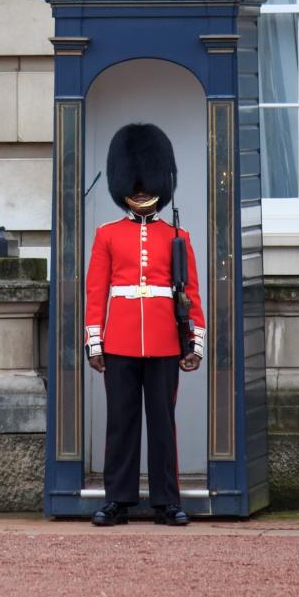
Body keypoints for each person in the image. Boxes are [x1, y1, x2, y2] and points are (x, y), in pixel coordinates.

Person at [85, 123, 206, 526]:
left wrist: (194, 343)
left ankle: (165, 501)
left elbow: (190, 292)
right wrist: (95, 342)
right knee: (120, 423)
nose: (140, 191)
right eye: (133, 185)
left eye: (146, 184)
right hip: (119, 341)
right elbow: (96, 293)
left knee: (162, 424)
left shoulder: (178, 235)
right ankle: (117, 499)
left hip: (165, 342)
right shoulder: (106, 235)